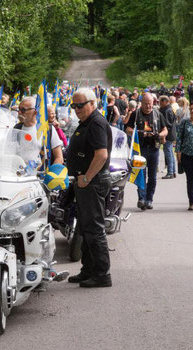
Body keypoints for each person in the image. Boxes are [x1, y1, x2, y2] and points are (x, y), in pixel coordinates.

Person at [66, 88, 113, 288]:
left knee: (94, 229)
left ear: (92, 103)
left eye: (80, 105)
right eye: (73, 106)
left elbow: (101, 155)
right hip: (85, 182)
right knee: (85, 228)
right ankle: (88, 270)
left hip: (93, 182)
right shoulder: (86, 122)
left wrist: (86, 177)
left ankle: (102, 274)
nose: (76, 109)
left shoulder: (96, 123)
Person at [126, 93, 168, 210]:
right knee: (141, 174)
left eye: (150, 103)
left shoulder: (158, 114)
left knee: (153, 176)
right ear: (141, 103)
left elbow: (165, 130)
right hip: (140, 149)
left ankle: (149, 199)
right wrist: (138, 133)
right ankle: (141, 199)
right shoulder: (136, 113)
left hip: (154, 148)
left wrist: (159, 135)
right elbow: (128, 129)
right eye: (146, 104)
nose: (148, 106)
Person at [15, 97, 63, 165]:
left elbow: (59, 158)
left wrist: (50, 174)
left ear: (35, 111)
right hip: (18, 174)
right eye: (18, 109)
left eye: (23, 110)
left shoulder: (48, 129)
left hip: (41, 174)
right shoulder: (16, 128)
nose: (19, 112)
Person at [159, 96, 177, 179]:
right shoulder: (169, 109)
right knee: (170, 153)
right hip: (171, 134)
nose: (160, 104)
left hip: (168, 135)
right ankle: (172, 171)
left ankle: (170, 172)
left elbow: (167, 124)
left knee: (168, 153)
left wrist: (164, 134)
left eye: (161, 102)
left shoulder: (167, 110)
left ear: (165, 102)